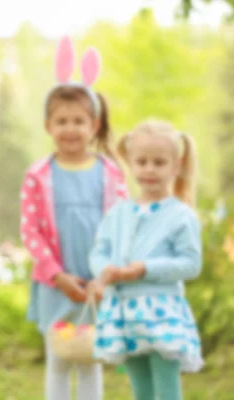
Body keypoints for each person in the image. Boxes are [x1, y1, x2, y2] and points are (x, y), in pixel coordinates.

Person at [20, 36, 127, 400]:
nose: (70, 128)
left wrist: (104, 275)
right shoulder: (39, 175)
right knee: (60, 360)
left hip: (97, 283)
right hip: (56, 284)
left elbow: (121, 226)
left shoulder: (110, 174)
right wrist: (57, 275)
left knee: (89, 360)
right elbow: (31, 232)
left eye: (78, 121)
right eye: (62, 121)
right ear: (49, 125)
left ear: (93, 125)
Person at [88, 119, 203, 400]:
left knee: (165, 387)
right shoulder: (119, 213)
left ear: (176, 166)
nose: (149, 169)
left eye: (159, 162)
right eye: (142, 162)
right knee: (140, 387)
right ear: (131, 164)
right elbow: (99, 250)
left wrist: (145, 269)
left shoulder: (180, 215)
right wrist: (105, 270)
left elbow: (190, 262)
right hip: (123, 311)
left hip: (162, 312)